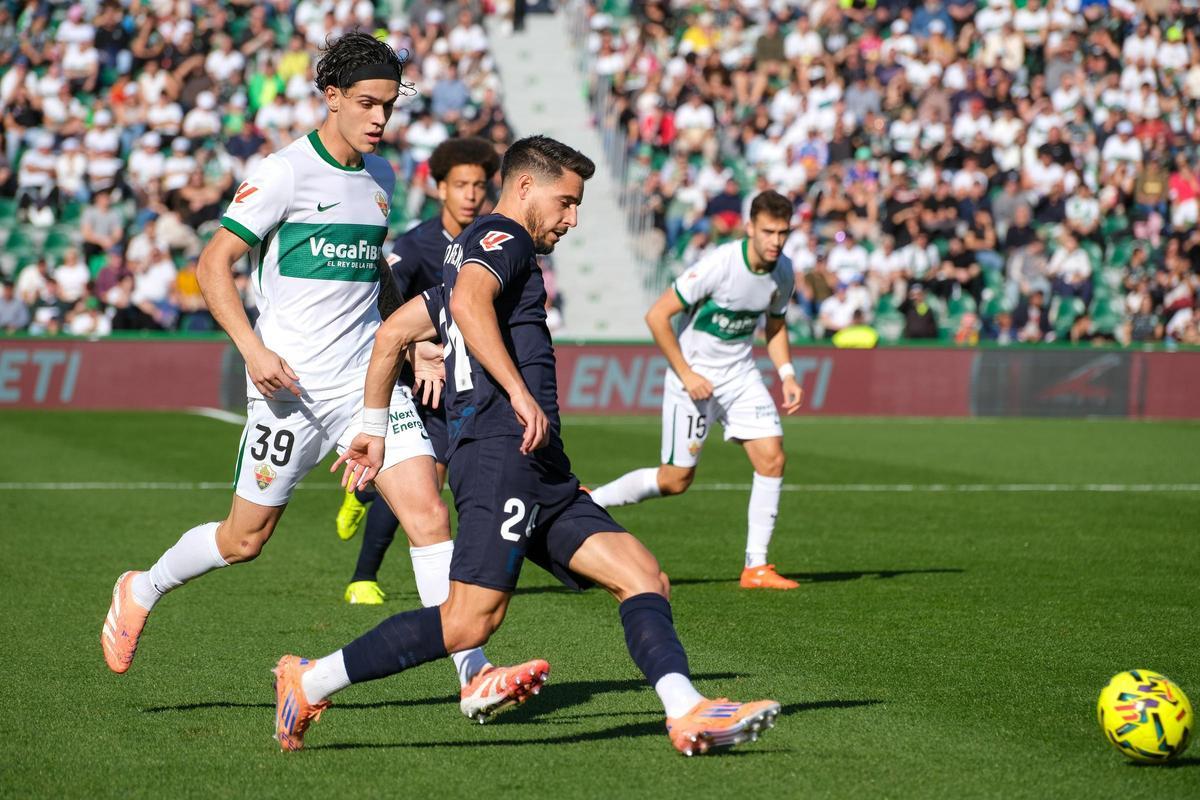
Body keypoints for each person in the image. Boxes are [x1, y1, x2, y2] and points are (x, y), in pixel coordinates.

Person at [271, 136, 781, 755]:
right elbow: (467, 301)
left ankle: (687, 710)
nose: (571, 219)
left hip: (538, 464)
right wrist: (515, 389)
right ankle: (311, 679)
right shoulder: (503, 238)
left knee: (644, 574)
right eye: (565, 202)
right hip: (498, 452)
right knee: (467, 621)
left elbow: (393, 335)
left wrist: (374, 433)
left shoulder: (476, 254)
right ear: (524, 188)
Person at [100, 32, 535, 722]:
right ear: (330, 97)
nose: (379, 119)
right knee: (245, 539)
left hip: (365, 382)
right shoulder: (283, 174)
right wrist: (252, 348)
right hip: (287, 389)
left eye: (389, 107)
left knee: (426, 511)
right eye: (367, 104)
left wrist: (414, 343)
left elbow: (377, 275)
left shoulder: (382, 179)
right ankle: (142, 587)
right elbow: (215, 265)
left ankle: (472, 675)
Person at [589, 190, 804, 589]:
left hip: (740, 376)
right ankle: (592, 502)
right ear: (750, 228)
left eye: (783, 233)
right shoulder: (719, 265)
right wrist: (686, 373)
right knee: (676, 480)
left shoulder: (783, 271)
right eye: (769, 232)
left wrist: (787, 373)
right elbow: (657, 315)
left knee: (772, 459)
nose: (776, 241)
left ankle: (756, 566)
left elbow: (775, 324)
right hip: (694, 380)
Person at [335, 136, 500, 606]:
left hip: (468, 382)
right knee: (427, 482)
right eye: (460, 184)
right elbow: (379, 303)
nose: (471, 194)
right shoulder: (416, 246)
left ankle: (364, 495)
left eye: (479, 185)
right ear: (440, 189)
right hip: (420, 383)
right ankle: (362, 578)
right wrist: (418, 347)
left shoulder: (490, 241)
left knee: (430, 482)